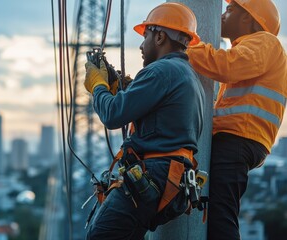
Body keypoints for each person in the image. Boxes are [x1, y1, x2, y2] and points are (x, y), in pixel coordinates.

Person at [83, 3, 205, 240]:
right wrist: (119, 86)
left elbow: (113, 114)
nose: (141, 44)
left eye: (146, 35)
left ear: (160, 36)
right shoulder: (186, 75)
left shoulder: (161, 71)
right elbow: (152, 110)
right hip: (172, 179)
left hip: (156, 174)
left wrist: (98, 86)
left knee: (101, 235)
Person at [186, 0, 287, 239]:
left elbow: (226, 65)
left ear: (249, 19)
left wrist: (187, 46)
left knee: (221, 217)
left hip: (238, 139)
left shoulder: (264, 42)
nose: (222, 15)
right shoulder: (253, 50)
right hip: (240, 139)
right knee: (216, 213)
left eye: (230, 10)